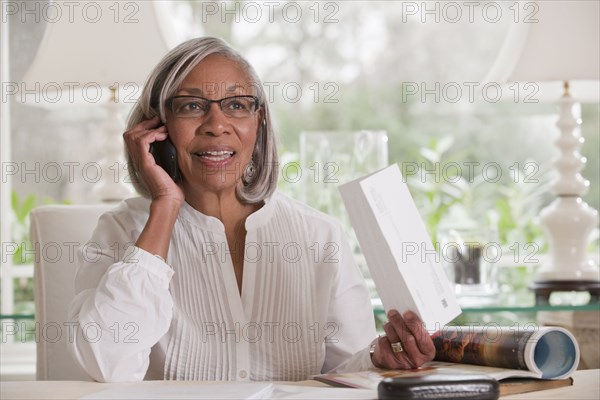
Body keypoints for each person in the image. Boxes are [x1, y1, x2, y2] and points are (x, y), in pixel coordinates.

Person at [68, 36, 436, 383]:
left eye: (236, 105)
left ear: (258, 123)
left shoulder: (320, 237)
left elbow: (345, 372)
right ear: (157, 126)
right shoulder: (123, 231)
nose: (216, 126)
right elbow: (108, 364)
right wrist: (165, 205)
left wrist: (378, 361)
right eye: (192, 105)